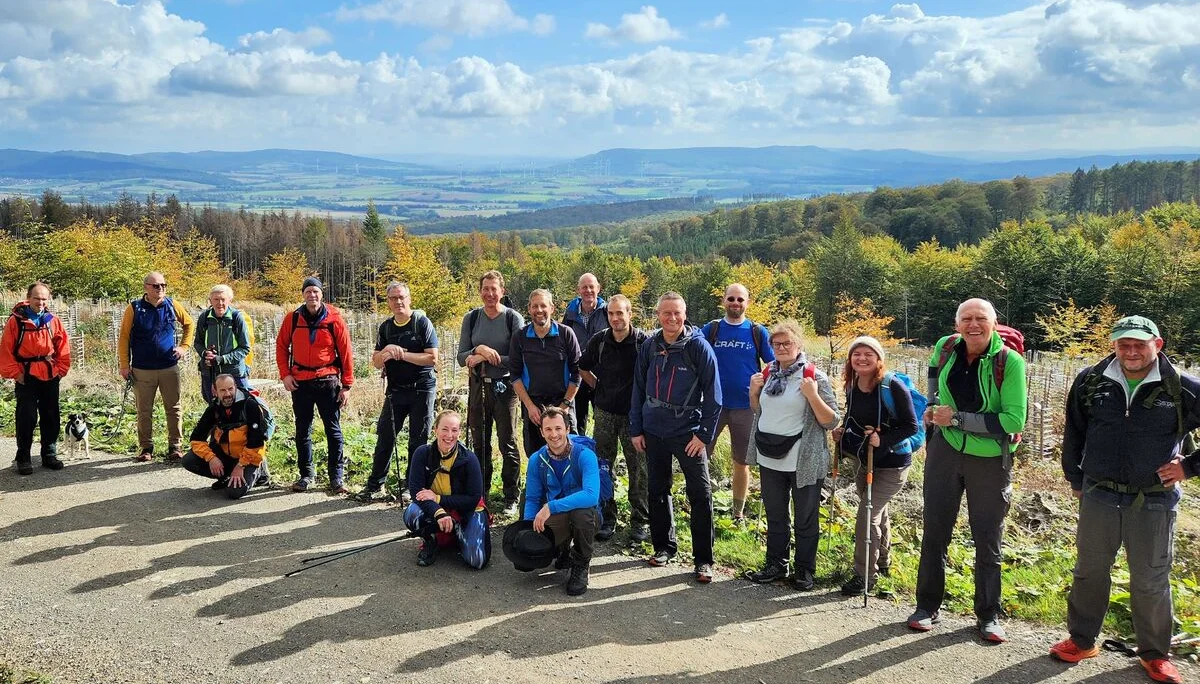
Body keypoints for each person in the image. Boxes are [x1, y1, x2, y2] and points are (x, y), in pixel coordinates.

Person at [1052, 316, 1200, 684]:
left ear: (1158, 344)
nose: (1131, 351)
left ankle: (1154, 655)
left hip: (1153, 500)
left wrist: (1190, 467)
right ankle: (1082, 640)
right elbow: (1075, 431)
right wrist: (1075, 477)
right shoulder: (1091, 380)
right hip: (1099, 493)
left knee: (1151, 579)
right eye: (1123, 344)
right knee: (1089, 571)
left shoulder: (1183, 388)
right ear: (1114, 344)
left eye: (1139, 344)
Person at [908, 298, 1027, 643]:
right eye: (967, 319)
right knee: (935, 530)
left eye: (980, 319)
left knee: (987, 538)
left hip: (989, 460)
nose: (973, 325)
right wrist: (932, 409)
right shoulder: (946, 347)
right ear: (957, 323)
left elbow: (1013, 420)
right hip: (945, 451)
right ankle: (926, 607)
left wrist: (957, 419)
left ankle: (988, 615)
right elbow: (932, 376)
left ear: (994, 323)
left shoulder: (1010, 362)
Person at [630, 292, 722, 584]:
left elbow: (714, 396)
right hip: (654, 429)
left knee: (701, 494)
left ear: (685, 314)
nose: (672, 319)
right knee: (657, 490)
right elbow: (638, 388)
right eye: (666, 313)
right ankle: (663, 547)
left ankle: (704, 561)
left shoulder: (698, 347)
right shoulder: (649, 346)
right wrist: (636, 428)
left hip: (688, 432)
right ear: (658, 315)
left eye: (677, 313)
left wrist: (703, 435)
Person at [743, 320, 839, 590]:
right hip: (769, 456)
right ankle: (775, 565)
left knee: (806, 518)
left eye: (787, 343)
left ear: (799, 345)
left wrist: (813, 396)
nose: (782, 348)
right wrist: (753, 392)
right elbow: (759, 410)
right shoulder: (768, 373)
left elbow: (832, 421)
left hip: (802, 459)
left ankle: (804, 571)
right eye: (777, 344)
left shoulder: (814, 377)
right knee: (775, 515)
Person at [831, 336, 918, 596]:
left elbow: (911, 426)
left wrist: (884, 439)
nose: (862, 358)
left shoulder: (892, 386)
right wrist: (842, 432)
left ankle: (864, 575)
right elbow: (854, 419)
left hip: (893, 464)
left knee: (867, 513)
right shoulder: (852, 385)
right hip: (865, 460)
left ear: (879, 358)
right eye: (856, 354)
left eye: (868, 354)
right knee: (878, 511)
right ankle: (883, 561)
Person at [356, 282, 439, 502]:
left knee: (418, 440)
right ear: (388, 302)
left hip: (422, 388)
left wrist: (401, 354)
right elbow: (375, 362)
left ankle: (414, 487)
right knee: (385, 435)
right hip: (395, 390)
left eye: (401, 297)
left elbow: (432, 357)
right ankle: (375, 485)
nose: (398, 302)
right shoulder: (386, 328)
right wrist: (385, 353)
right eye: (393, 298)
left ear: (409, 299)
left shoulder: (421, 323)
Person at [578, 294, 650, 542]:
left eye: (620, 313)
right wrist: (598, 388)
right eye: (611, 313)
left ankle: (640, 521)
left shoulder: (643, 342)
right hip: (605, 414)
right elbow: (582, 366)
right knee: (602, 467)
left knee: (639, 470)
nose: (616, 318)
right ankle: (607, 518)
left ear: (630, 314)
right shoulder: (600, 340)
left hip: (634, 417)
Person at [701, 283, 774, 522]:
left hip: (745, 406)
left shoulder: (757, 331)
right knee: (701, 455)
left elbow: (773, 365)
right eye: (731, 299)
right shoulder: (711, 329)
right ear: (723, 301)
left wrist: (762, 387)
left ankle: (737, 513)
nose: (735, 303)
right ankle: (700, 504)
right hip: (713, 405)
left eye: (740, 300)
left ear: (747, 302)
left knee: (742, 461)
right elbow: (693, 355)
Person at [275, 276, 354, 494]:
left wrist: (346, 386)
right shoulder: (292, 319)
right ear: (303, 295)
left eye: (316, 292)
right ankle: (306, 475)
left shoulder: (334, 319)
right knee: (303, 429)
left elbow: (346, 353)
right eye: (308, 291)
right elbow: (282, 347)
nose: (312, 295)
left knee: (333, 430)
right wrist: (285, 375)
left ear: (322, 294)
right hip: (300, 382)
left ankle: (336, 478)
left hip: (327, 381)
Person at [457, 271, 524, 510]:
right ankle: (480, 493)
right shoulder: (472, 318)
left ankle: (510, 496)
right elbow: (460, 356)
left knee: (507, 442)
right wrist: (479, 350)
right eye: (485, 289)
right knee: (480, 443)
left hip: (505, 388)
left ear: (502, 292)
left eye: (494, 289)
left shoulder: (513, 319)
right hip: (478, 386)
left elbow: (519, 359)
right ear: (480, 291)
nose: (489, 294)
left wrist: (487, 357)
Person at [523, 407, 600, 596]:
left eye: (558, 428)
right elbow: (532, 498)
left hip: (587, 517)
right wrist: (527, 532)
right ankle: (563, 549)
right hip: (556, 517)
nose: (554, 434)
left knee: (581, 514)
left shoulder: (584, 455)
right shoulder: (536, 459)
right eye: (548, 429)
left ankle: (581, 564)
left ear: (567, 429)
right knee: (522, 561)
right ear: (541, 432)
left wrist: (551, 506)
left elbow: (591, 495)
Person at [119, 271, 195, 462]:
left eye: (163, 285)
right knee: (144, 410)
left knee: (174, 408)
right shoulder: (134, 308)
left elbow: (189, 324)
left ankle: (175, 447)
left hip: (169, 367)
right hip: (142, 369)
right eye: (155, 285)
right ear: (146, 287)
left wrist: (184, 347)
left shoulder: (172, 304)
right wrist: (124, 365)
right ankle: (146, 448)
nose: (160, 288)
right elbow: (124, 337)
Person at [403, 410, 490, 569]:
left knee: (477, 560)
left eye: (454, 430)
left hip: (467, 509)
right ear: (435, 429)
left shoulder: (469, 459)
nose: (449, 435)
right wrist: (439, 511)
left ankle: (458, 533)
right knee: (411, 514)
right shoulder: (422, 453)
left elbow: (473, 498)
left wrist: (438, 499)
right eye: (444, 429)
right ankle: (432, 540)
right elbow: (417, 492)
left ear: (460, 432)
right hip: (437, 509)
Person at [1, 282, 70, 475]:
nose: (40, 302)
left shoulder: (52, 320)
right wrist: (17, 374)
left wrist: (60, 369)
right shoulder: (16, 321)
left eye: (44, 299)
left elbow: (63, 347)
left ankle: (49, 453)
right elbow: (6, 349)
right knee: (27, 416)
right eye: (37, 298)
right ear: (28, 298)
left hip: (49, 373)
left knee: (51, 414)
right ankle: (23, 455)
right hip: (26, 375)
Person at [508, 288, 581, 465]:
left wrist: (564, 405)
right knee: (536, 456)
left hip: (562, 403)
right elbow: (515, 376)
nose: (539, 310)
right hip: (533, 406)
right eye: (535, 306)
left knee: (569, 455)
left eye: (543, 306)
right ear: (529, 309)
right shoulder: (520, 337)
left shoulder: (565, 334)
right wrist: (529, 405)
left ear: (552, 308)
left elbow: (577, 373)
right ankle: (539, 492)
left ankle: (567, 492)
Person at [180, 374, 271, 499]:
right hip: (226, 455)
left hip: (249, 458)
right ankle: (226, 476)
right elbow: (196, 439)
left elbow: (257, 442)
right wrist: (211, 458)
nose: (227, 394)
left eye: (230, 389)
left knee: (234, 493)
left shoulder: (250, 405)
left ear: (235, 387)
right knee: (189, 460)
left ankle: (260, 472)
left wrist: (241, 465)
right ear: (215, 391)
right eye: (222, 390)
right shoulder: (213, 408)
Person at [562, 273, 608, 434]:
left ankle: (602, 458)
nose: (588, 290)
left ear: (598, 288)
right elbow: (564, 341)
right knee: (578, 422)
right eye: (584, 287)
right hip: (578, 375)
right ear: (578, 290)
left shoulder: (607, 312)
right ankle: (580, 456)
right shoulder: (570, 313)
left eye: (591, 287)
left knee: (603, 423)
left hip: (601, 375)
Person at [193, 284, 254, 403]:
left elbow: (245, 348)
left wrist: (222, 359)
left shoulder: (237, 318)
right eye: (216, 299)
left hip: (234, 372)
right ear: (210, 300)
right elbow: (198, 343)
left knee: (241, 405)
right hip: (210, 372)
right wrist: (205, 353)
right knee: (213, 406)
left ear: (229, 301)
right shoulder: (204, 318)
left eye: (223, 299)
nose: (220, 303)